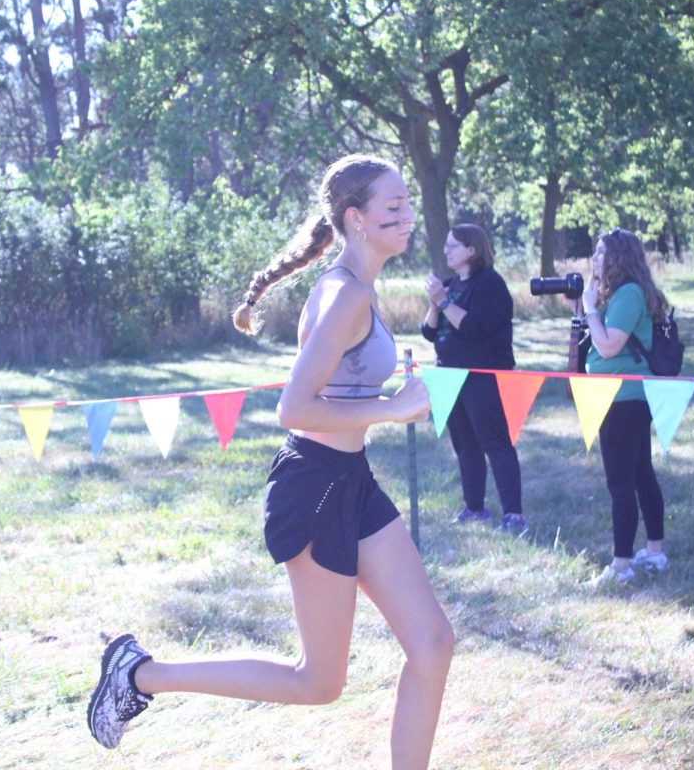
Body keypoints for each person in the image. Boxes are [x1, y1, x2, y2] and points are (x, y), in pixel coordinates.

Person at [86, 154, 455, 770]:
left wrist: (384, 404)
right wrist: (390, 411)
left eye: (407, 203)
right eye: (394, 207)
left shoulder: (358, 290)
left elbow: (337, 393)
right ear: (355, 218)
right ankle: (140, 674)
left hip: (351, 480)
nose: (408, 216)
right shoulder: (344, 296)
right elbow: (294, 408)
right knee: (319, 681)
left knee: (433, 643)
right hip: (313, 489)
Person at [575, 228, 670, 587]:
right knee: (641, 473)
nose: (594, 260)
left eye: (600, 253)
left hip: (623, 399)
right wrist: (591, 307)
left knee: (621, 482)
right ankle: (655, 553)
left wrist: (590, 311)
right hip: (617, 395)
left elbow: (610, 346)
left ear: (617, 257)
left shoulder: (629, 293)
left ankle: (621, 567)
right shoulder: (620, 294)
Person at [421, 224, 525, 532]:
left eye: (453, 245)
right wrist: (434, 304)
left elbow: (475, 328)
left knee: (495, 442)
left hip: (482, 376)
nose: (446, 250)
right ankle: (475, 507)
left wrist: (443, 302)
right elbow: (429, 331)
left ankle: (514, 515)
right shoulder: (450, 285)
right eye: (446, 245)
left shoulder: (490, 284)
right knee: (465, 445)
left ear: (472, 250)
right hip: (448, 376)